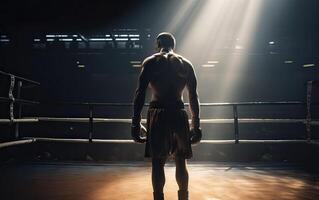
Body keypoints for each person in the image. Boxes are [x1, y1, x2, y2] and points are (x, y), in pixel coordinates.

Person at [131, 32, 202, 200]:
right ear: (174, 45)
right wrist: (196, 124)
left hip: (158, 113)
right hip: (179, 113)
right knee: (181, 161)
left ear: (157, 44)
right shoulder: (185, 64)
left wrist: (135, 123)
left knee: (157, 162)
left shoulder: (150, 62)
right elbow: (193, 96)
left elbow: (140, 93)